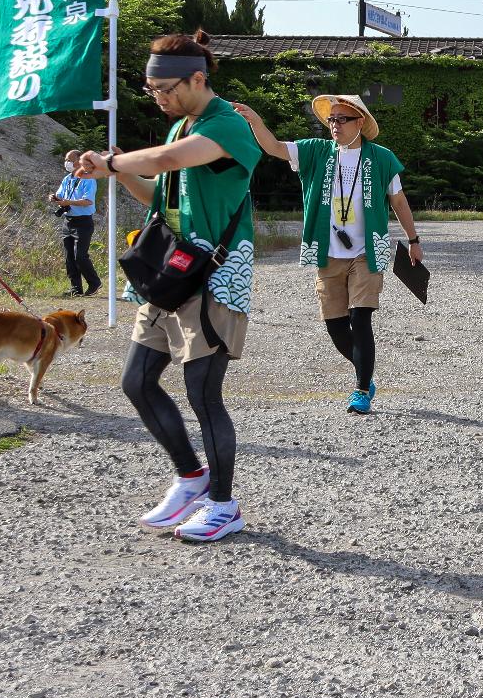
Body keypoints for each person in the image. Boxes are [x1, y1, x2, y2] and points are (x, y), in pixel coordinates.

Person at [70, 32, 259, 543]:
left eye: (165, 88)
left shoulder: (229, 125)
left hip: (214, 277)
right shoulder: (182, 123)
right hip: (169, 271)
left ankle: (224, 504)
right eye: (151, 88)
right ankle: (191, 476)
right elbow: (160, 188)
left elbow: (166, 161)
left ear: (199, 79)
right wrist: (117, 174)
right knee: (137, 380)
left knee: (203, 393)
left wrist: (113, 162)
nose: (158, 97)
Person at [235, 92, 421, 416]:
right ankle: (366, 371)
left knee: (360, 317)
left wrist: (414, 239)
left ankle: (361, 389)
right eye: (331, 119)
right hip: (328, 251)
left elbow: (399, 201)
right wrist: (255, 121)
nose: (334, 125)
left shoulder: (381, 158)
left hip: (367, 251)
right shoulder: (316, 152)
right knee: (335, 326)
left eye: (342, 119)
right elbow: (275, 147)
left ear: (359, 122)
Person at [49, 158, 100, 296]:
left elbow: (88, 201)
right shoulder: (67, 178)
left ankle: (94, 283)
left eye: (70, 160)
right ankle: (76, 288)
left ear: (79, 162)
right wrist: (54, 197)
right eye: (65, 159)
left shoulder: (88, 179)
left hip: (83, 222)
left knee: (80, 256)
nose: (67, 162)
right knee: (69, 257)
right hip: (68, 221)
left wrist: (68, 202)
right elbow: (60, 194)